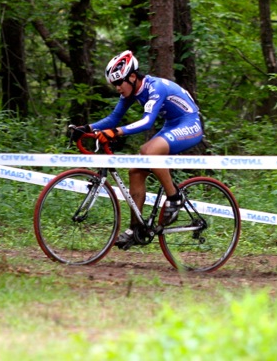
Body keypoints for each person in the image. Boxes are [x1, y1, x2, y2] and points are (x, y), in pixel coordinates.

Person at [71, 50, 203, 250]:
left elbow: (147, 122)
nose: (117, 88)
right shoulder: (131, 91)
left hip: (189, 124)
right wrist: (87, 128)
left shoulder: (155, 87)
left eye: (118, 83)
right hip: (171, 125)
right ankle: (136, 229)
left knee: (148, 151)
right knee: (135, 170)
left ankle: (175, 198)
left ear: (132, 77)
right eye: (113, 84)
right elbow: (113, 119)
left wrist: (115, 133)